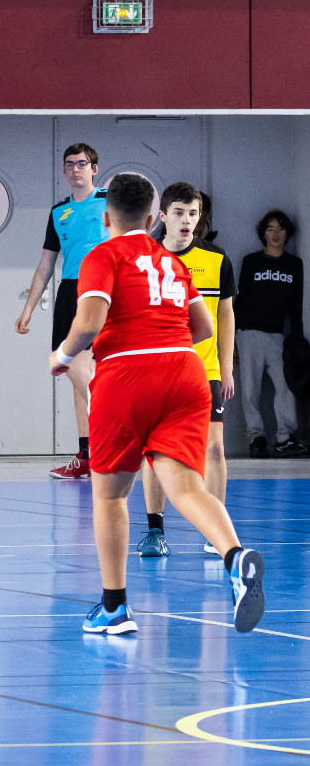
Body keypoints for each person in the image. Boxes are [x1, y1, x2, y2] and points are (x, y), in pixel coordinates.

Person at [52, 173, 263, 635]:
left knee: (110, 496)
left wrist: (62, 357)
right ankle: (234, 557)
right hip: (186, 374)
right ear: (152, 219)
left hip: (127, 375)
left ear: (105, 218)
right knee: (187, 488)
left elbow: (88, 323)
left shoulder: (102, 255)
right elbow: (203, 327)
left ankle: (114, 608)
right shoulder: (171, 262)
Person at [136, 184, 234, 558]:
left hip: (203, 370)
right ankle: (155, 531)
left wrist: (226, 366)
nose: (186, 220)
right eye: (178, 212)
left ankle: (215, 532)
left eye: (193, 213)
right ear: (162, 216)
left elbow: (225, 313)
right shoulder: (144, 258)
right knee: (155, 449)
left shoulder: (216, 259)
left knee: (214, 447)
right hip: (157, 371)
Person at [18, 143, 108, 480]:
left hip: (105, 288)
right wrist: (29, 307)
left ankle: (111, 429)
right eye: (69, 164)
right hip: (71, 291)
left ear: (94, 168)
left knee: (84, 370)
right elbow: (46, 264)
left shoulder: (110, 201)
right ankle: (88, 454)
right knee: (74, 370)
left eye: (81, 164)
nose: (75, 170)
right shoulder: (59, 212)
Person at [235, 209, 307, 458]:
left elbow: (295, 307)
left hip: (277, 336)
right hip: (249, 334)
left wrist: (297, 339)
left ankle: (284, 439)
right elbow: (240, 300)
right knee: (250, 390)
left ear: (288, 233)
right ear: (263, 234)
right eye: (270, 229)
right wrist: (233, 339)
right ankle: (256, 439)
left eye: (280, 229)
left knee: (286, 386)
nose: (275, 234)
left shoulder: (294, 265)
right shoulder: (252, 262)